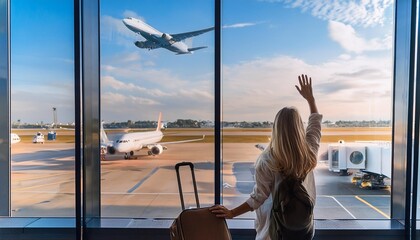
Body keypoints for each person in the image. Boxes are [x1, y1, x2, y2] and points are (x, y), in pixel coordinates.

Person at [210, 74, 322, 240]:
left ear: (275, 129)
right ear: (299, 128)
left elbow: (257, 198)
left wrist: (232, 213)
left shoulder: (268, 160)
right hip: (302, 228)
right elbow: (315, 125)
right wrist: (311, 100)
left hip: (273, 231)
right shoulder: (309, 153)